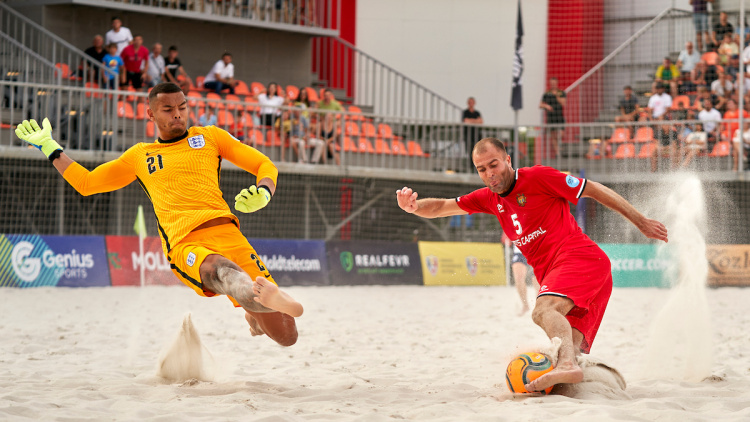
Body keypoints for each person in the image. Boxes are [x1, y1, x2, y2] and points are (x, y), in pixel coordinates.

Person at [14, 82, 303, 346]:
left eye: (182, 107)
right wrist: (50, 148)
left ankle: (254, 312)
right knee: (224, 273)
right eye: (167, 109)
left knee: (287, 336)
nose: (177, 114)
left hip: (229, 233)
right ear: (151, 115)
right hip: (186, 243)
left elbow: (264, 164)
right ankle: (256, 300)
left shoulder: (211, 137)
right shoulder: (140, 155)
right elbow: (87, 184)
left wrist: (264, 193)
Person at [396, 138, 667, 393]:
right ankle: (594, 376)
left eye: (494, 164)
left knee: (542, 312)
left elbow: (593, 189)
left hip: (579, 258)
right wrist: (413, 207)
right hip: (578, 271)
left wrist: (640, 221)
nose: (489, 173)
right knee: (568, 350)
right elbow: (443, 206)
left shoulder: (538, 176)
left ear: (508, 159)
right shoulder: (489, 199)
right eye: (482, 169)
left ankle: (567, 366)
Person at [316, 88, 344, 165]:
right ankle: (325, 164)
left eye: (328, 95)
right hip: (322, 127)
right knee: (323, 143)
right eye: (325, 95)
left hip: (330, 137)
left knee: (331, 145)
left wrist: (339, 121)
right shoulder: (319, 103)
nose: (327, 97)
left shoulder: (335, 104)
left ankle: (339, 166)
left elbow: (343, 113)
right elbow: (313, 113)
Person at [539, 77, 566, 158]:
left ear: (557, 83)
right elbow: (540, 105)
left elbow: (563, 103)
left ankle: (559, 146)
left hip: (560, 116)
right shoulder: (547, 93)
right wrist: (546, 106)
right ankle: (557, 153)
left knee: (561, 134)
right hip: (551, 117)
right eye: (552, 83)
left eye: (554, 83)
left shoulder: (561, 93)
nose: (553, 85)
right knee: (553, 136)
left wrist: (557, 96)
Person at [462, 97, 484, 170]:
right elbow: (465, 121)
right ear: (468, 103)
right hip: (468, 135)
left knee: (478, 152)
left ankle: (477, 167)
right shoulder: (465, 112)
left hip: (477, 135)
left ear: (474, 103)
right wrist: (475, 121)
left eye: (472, 102)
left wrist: (471, 120)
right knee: (470, 152)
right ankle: (471, 168)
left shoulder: (477, 112)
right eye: (469, 102)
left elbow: (481, 121)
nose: (471, 103)